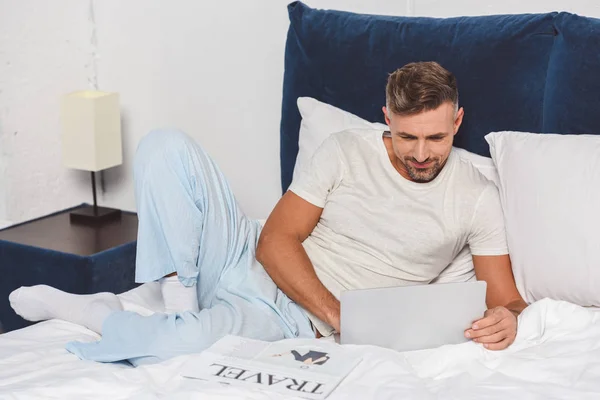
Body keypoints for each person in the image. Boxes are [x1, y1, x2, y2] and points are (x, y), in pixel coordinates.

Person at [9, 61, 526, 366]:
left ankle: (101, 313)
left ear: (458, 121)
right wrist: (339, 316)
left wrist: (507, 318)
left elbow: (506, 298)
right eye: (405, 135)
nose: (419, 154)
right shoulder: (346, 149)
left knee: (181, 348)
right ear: (386, 117)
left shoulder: (476, 197)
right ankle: (178, 297)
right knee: (164, 146)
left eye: (435, 137)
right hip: (244, 257)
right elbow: (274, 241)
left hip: (286, 316)